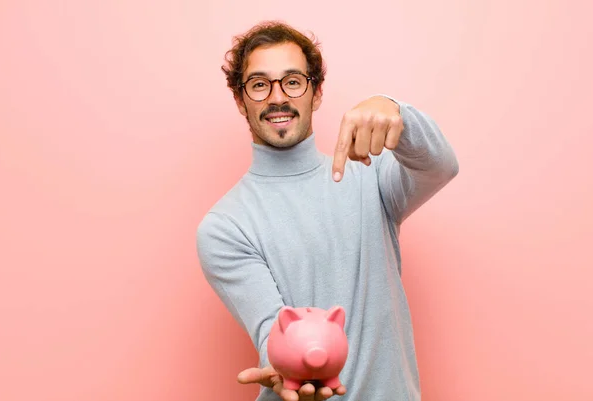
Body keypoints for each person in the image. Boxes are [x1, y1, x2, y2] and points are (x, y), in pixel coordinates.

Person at [196, 20, 459, 401]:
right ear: (240, 100)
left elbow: (442, 166)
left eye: (292, 81)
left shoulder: (370, 177)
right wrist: (290, 372)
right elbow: (274, 329)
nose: (277, 97)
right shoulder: (224, 227)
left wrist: (393, 109)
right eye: (258, 84)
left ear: (316, 92)